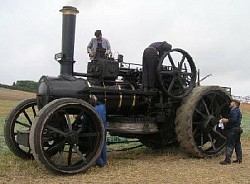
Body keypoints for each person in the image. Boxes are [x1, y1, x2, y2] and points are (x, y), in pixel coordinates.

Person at [219, 99, 243, 165]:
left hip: (233, 130)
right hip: (237, 129)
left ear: (235, 104)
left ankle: (227, 160)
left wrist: (226, 120)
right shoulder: (238, 111)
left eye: (232, 102)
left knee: (230, 144)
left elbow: (234, 119)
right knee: (237, 144)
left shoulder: (234, 111)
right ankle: (239, 159)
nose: (230, 103)